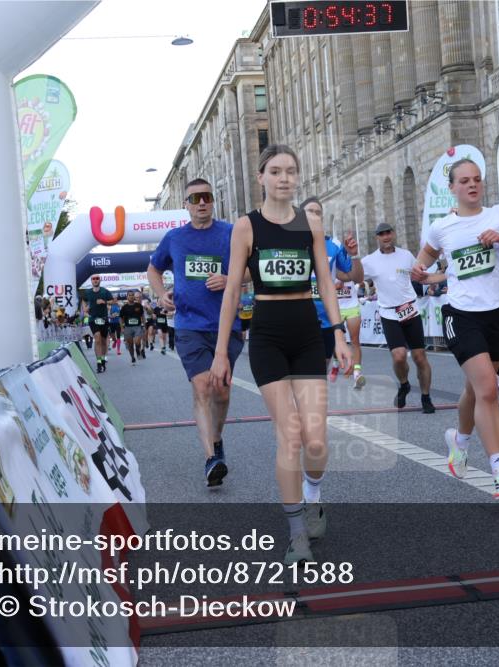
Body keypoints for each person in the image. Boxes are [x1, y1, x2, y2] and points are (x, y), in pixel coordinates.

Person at [209, 144, 350, 564]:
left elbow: (325, 280)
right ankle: (296, 535)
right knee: (289, 435)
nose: (284, 178)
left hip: (308, 334)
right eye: (275, 171)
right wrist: (221, 351)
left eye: (291, 170)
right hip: (268, 336)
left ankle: (313, 496)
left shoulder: (311, 224)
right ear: (262, 177)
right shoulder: (246, 228)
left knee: (317, 443)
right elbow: (233, 289)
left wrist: (340, 334)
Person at [412, 159, 499, 500]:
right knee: (488, 389)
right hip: (460, 314)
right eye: (464, 181)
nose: (472, 185)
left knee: (475, 390)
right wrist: (419, 273)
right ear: (453, 188)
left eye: (476, 180)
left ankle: (459, 439)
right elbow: (422, 262)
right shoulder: (442, 228)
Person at [149, 177, 244, 487]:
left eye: (206, 196)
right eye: (195, 198)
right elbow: (154, 268)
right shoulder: (175, 238)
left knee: (222, 390)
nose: (202, 202)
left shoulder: (231, 233)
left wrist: (230, 278)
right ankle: (210, 459)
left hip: (226, 325)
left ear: (212, 200)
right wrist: (161, 293)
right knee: (203, 386)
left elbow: (254, 270)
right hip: (190, 325)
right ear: (186, 205)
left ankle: (217, 441)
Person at [360, 223, 435, 413]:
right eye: (381, 234)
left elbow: (421, 274)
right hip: (388, 313)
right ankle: (404, 384)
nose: (385, 237)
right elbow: (354, 276)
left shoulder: (406, 255)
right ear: (377, 237)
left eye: (388, 233)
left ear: (393, 234)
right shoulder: (369, 261)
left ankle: (426, 397)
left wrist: (440, 277)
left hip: (410, 309)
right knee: (399, 356)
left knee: (419, 357)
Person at [300, 197, 364, 380]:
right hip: (301, 316)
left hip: (327, 319)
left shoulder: (333, 245)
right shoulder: (291, 243)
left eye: (318, 213)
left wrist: (354, 255)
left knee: (320, 370)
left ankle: (311, 406)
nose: (314, 216)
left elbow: (356, 277)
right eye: (309, 212)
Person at [84, 275, 113, 373]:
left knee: (104, 341)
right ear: (91, 281)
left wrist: (104, 301)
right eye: (93, 279)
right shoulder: (87, 292)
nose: (95, 280)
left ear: (99, 280)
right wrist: (85, 309)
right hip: (93, 319)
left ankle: (103, 358)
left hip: (104, 319)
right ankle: (99, 362)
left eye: (97, 279)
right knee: (97, 339)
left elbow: (112, 300)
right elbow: (84, 301)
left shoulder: (104, 291)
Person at [119, 291, 145, 364]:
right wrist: (122, 328)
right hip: (128, 327)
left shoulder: (139, 305)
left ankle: (138, 350)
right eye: (129, 295)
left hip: (137, 326)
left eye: (132, 295)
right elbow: (120, 318)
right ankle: (132, 357)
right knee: (130, 345)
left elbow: (142, 316)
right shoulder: (124, 307)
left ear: (134, 296)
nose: (131, 296)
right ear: (127, 297)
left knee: (137, 341)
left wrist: (144, 325)